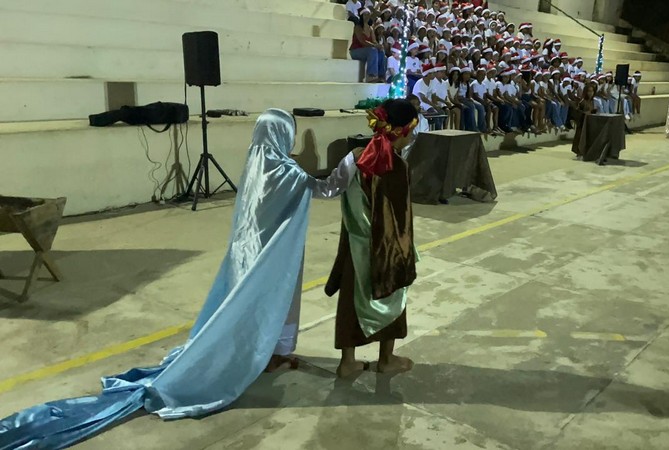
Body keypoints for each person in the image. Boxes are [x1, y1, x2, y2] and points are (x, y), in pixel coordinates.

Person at [0, 109, 361, 448]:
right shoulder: (285, 172)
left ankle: (266, 355)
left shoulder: (255, 165)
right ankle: (259, 358)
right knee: (262, 306)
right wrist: (353, 159)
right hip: (267, 260)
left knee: (241, 310)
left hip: (243, 255)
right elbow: (328, 188)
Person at [325, 99, 419, 378]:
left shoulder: (355, 156)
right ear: (401, 131)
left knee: (351, 301)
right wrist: (405, 254)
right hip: (383, 248)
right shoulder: (396, 166)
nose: (413, 135)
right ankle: (386, 359)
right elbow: (398, 221)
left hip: (354, 244)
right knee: (391, 297)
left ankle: (347, 362)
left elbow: (331, 188)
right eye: (412, 129)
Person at [350, 10, 386, 83]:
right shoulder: (357, 27)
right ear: (361, 16)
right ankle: (371, 76)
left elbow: (374, 41)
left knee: (381, 52)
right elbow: (362, 41)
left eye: (368, 14)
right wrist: (375, 46)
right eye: (365, 15)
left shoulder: (370, 28)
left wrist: (379, 46)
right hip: (355, 51)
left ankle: (381, 76)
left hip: (366, 51)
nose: (367, 16)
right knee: (372, 50)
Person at [572, 84, 598, 159]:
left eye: (592, 91)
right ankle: (579, 153)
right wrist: (585, 113)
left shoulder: (593, 101)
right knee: (580, 138)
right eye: (589, 91)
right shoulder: (582, 101)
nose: (590, 93)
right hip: (582, 123)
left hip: (590, 123)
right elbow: (577, 112)